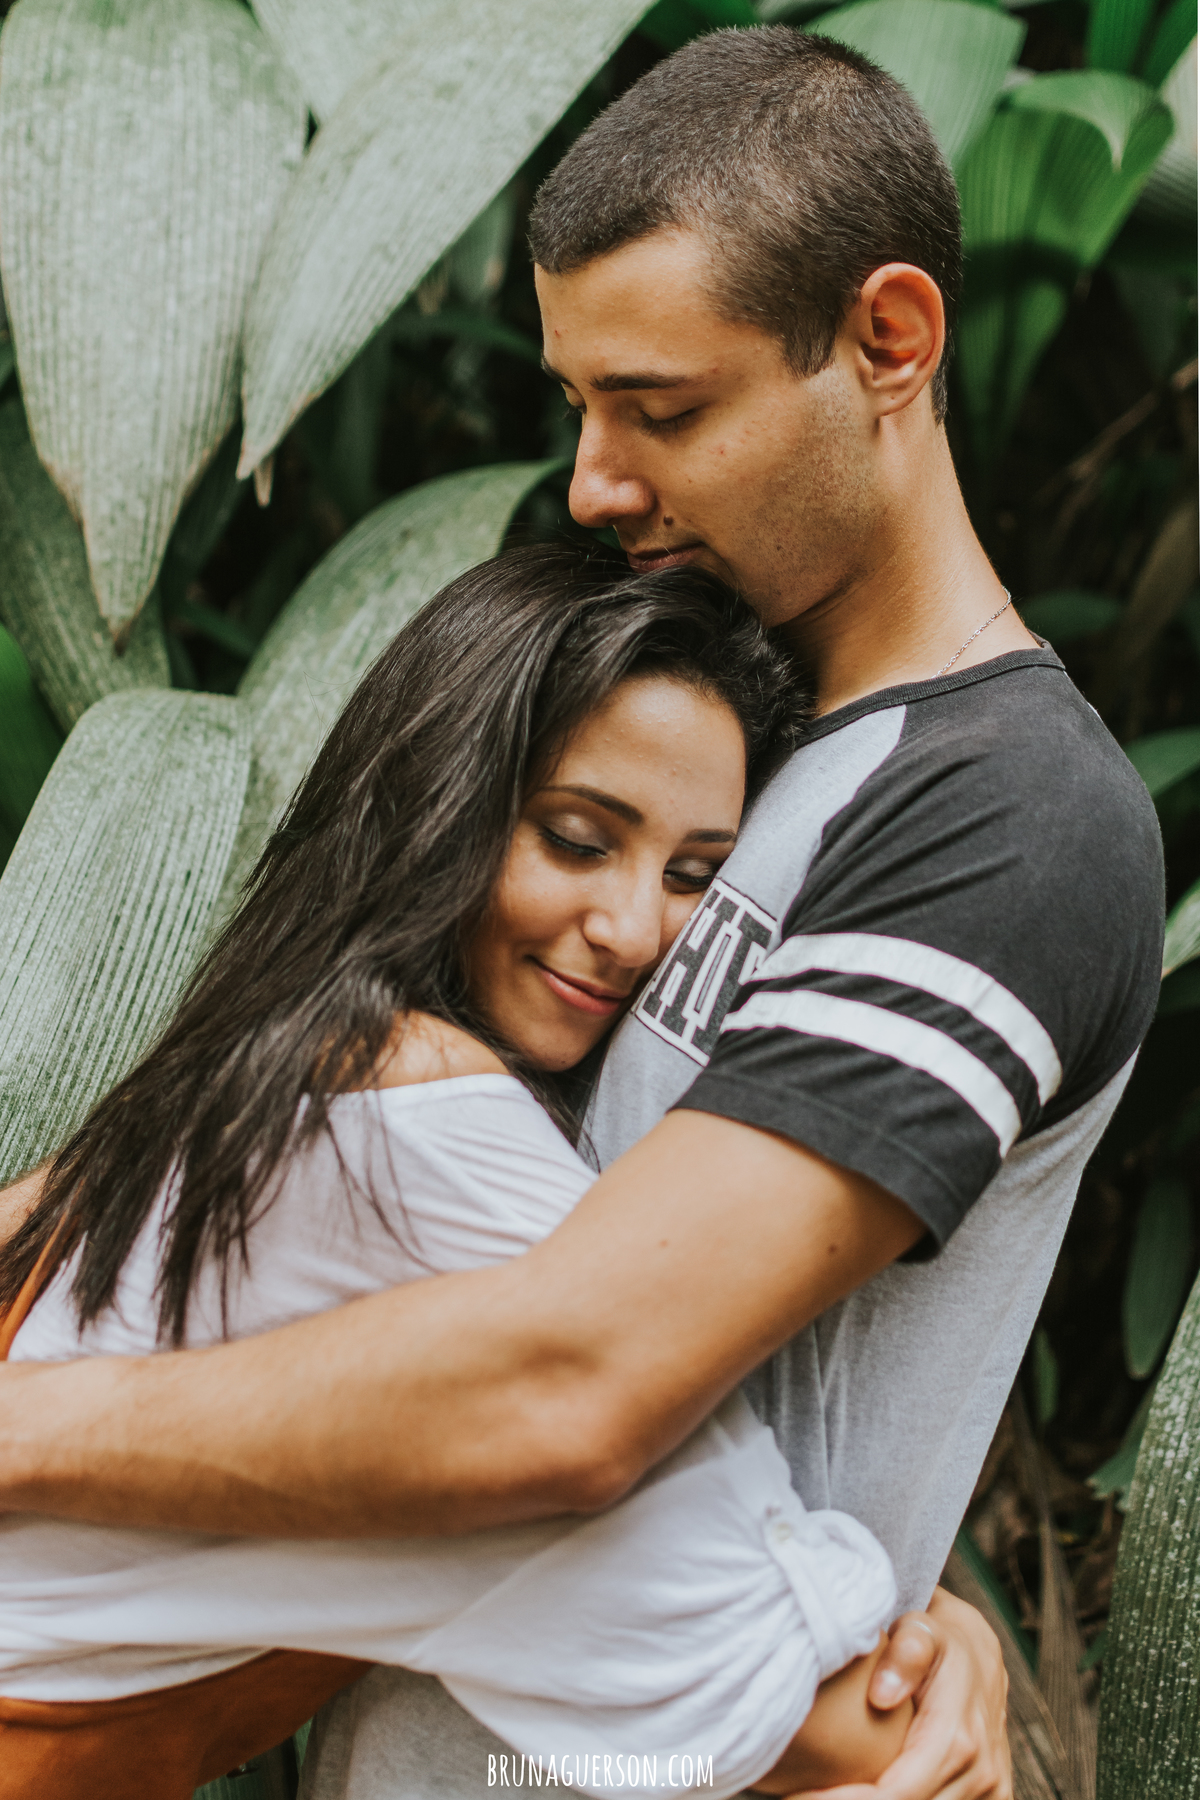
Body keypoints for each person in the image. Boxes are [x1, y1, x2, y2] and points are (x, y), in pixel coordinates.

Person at [0, 27, 1164, 1800]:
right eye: (580, 408)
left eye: (665, 408)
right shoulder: (715, 739)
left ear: (892, 342)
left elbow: (575, 1382)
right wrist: (886, 1587)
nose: (601, 482)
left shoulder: (1004, 814)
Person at [0, 546, 911, 1799]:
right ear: (440, 805)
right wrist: (913, 1644)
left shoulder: (283, 1057)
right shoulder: (429, 1126)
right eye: (579, 840)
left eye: (697, 875)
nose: (639, 929)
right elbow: (773, 1694)